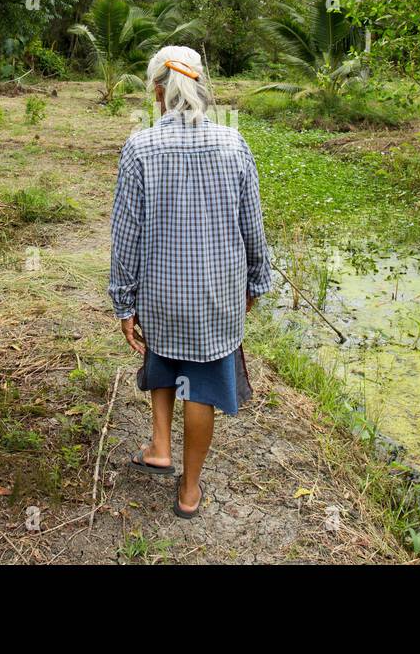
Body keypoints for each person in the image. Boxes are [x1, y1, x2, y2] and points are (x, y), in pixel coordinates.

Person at [108, 45, 271, 518]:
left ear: (158, 93)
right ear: (200, 91)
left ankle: (160, 445)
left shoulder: (139, 147)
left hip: (160, 292)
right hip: (218, 294)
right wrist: (256, 281)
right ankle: (190, 491)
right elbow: (252, 225)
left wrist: (123, 300)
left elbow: (126, 234)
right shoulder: (233, 144)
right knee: (198, 385)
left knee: (163, 355)